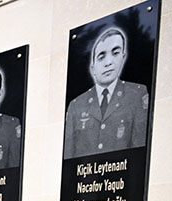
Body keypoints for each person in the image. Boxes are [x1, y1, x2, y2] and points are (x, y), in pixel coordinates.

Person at [63, 26, 149, 159]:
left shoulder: (136, 95)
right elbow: (68, 157)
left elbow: (139, 152)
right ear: (93, 68)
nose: (108, 62)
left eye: (115, 53)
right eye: (101, 57)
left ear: (123, 57)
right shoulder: (76, 105)